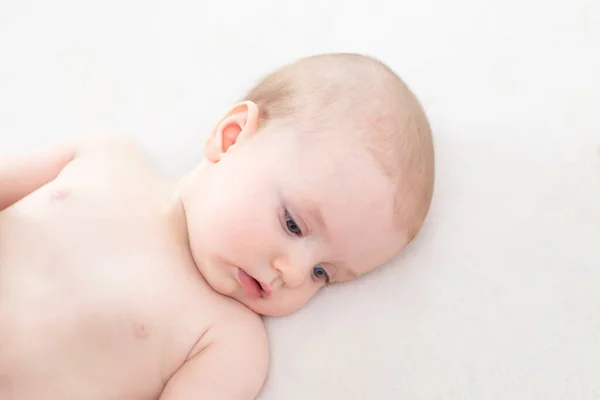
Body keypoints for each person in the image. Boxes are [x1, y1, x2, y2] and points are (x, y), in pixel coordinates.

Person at [0, 53, 434, 399]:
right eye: (293, 224)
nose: (295, 273)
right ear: (230, 137)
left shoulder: (229, 342)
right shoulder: (105, 158)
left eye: (324, 273)